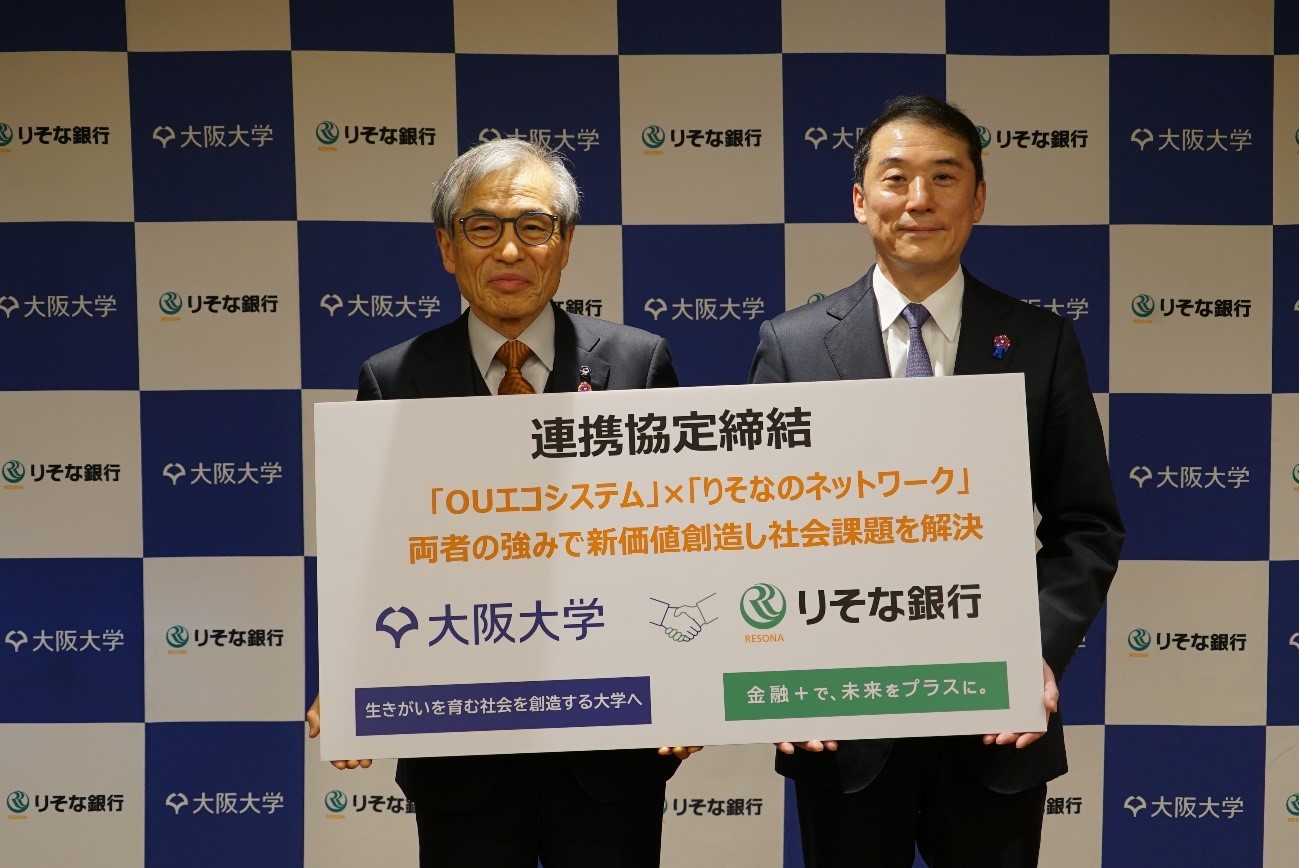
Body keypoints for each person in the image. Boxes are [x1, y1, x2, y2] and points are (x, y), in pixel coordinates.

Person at [748, 94, 1124, 867]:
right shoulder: (791, 347)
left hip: (993, 717)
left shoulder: (1039, 342)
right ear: (860, 201)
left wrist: (1033, 651)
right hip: (842, 719)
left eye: (943, 178)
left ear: (977, 199)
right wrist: (779, 670)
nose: (918, 200)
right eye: (895, 179)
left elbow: (1085, 524)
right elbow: (756, 531)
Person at [307, 138, 695, 868]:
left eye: (533, 226)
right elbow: (375, 552)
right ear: (447, 247)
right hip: (461, 749)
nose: (509, 250)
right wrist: (351, 676)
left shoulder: (638, 363)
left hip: (608, 740)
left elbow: (672, 541)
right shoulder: (395, 378)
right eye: (482, 227)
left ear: (565, 243)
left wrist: (687, 684)